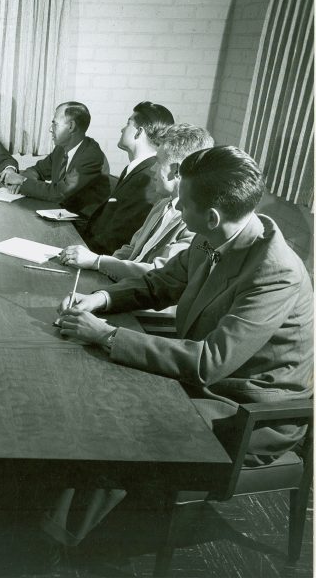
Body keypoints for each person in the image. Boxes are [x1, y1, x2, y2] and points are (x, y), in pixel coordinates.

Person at [56, 146, 313, 462]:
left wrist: (106, 335)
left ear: (212, 216)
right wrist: (101, 298)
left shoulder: (276, 271)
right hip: (208, 383)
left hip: (246, 410)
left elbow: (210, 362)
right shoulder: (212, 234)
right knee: (97, 400)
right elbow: (160, 283)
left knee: (120, 424)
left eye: (183, 203)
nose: (175, 206)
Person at [60, 124, 214, 281]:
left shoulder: (197, 225)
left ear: (176, 170)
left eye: (158, 162)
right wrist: (97, 267)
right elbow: (131, 249)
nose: (153, 168)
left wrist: (97, 262)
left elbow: (159, 273)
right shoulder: (163, 204)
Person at [81, 101, 174, 255]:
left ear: (139, 132)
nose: (122, 129)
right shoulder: (138, 169)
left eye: (128, 123)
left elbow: (119, 237)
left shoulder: (149, 178)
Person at [0, 101, 109, 217]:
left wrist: (22, 181)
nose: (51, 129)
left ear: (71, 126)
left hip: (81, 224)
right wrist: (20, 182)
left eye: (55, 124)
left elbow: (59, 193)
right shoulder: (60, 149)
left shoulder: (90, 155)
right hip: (59, 212)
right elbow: (38, 170)